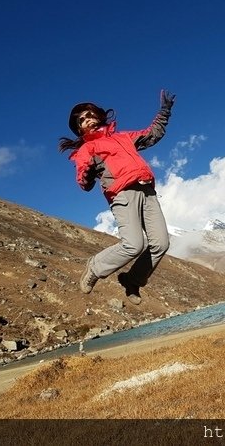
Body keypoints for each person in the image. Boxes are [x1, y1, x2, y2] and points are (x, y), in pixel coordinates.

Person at [59, 90, 175, 305]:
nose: (87, 120)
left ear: (98, 115)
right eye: (81, 120)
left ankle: (132, 280)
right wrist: (86, 173)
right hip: (122, 194)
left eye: (89, 115)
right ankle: (95, 267)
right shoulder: (87, 148)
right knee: (134, 244)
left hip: (147, 192)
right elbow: (84, 183)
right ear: (79, 129)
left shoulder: (124, 137)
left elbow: (152, 134)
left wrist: (164, 111)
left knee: (161, 243)